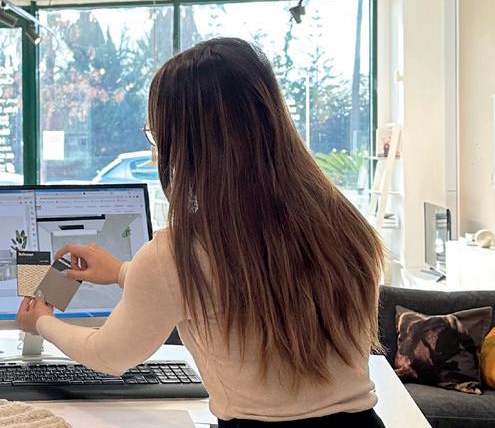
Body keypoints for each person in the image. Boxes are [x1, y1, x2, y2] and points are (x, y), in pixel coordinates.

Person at [17, 38, 385, 428]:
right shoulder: (343, 223)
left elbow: (108, 356)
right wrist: (123, 272)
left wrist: (40, 320)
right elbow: (245, 287)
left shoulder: (178, 254)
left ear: (182, 142)